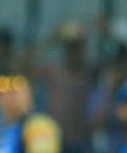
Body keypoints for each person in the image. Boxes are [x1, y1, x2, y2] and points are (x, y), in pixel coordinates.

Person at [33, 21, 93, 153]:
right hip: (56, 140)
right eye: (70, 46)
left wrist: (96, 30)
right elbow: (25, 67)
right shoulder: (54, 71)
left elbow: (117, 62)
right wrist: (50, 40)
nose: (74, 50)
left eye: (77, 46)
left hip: (82, 141)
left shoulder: (90, 71)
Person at [0, 74, 62, 153]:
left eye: (13, 92)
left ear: (28, 93)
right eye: (1, 93)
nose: (6, 98)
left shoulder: (39, 125)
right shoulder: (6, 130)